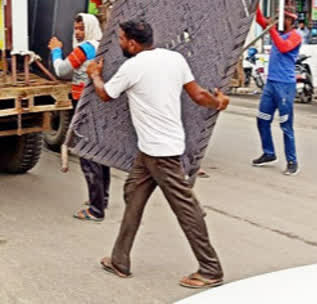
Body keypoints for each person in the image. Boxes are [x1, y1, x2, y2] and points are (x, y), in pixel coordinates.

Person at [87, 19, 228, 289]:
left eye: (120, 39)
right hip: (152, 148)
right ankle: (120, 260)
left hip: (160, 152)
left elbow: (105, 95)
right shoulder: (174, 59)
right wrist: (218, 102)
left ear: (131, 42)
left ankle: (211, 269)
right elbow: (199, 96)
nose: (119, 43)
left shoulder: (133, 67)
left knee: (184, 209)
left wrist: (95, 74)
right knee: (132, 194)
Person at [48, 14, 109, 221]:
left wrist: (56, 50)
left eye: (81, 28)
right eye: (76, 28)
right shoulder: (104, 45)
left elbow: (61, 70)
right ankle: (102, 199)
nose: (77, 32)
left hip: (84, 104)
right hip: (101, 103)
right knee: (100, 153)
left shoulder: (85, 49)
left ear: (90, 27)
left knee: (87, 154)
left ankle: (95, 210)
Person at [251, 6, 302, 175]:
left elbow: (283, 47)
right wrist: (257, 3)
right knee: (262, 120)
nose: (280, 20)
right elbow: (260, 20)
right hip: (271, 84)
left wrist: (271, 29)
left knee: (286, 125)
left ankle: (292, 161)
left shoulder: (295, 36)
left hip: (285, 86)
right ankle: (269, 153)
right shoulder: (277, 32)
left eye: (284, 18)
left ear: (291, 21)